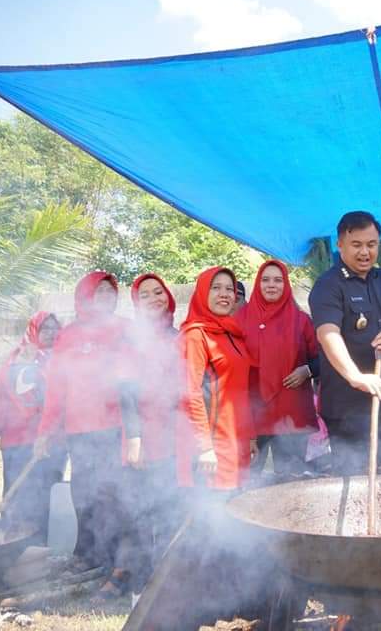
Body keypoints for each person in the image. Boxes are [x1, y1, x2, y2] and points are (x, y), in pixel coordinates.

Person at [35, 272, 131, 592]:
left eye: (110, 290)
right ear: (85, 295)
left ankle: (117, 559)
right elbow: (56, 388)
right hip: (78, 431)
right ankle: (87, 553)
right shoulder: (68, 335)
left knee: (113, 495)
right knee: (83, 493)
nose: (105, 295)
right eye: (98, 290)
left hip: (116, 428)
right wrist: (46, 430)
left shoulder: (124, 330)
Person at [308, 211, 381, 473]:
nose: (365, 252)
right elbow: (328, 333)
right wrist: (356, 376)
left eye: (372, 244)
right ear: (340, 243)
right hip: (348, 409)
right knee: (353, 478)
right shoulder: (328, 285)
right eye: (357, 245)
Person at [118, 273, 183, 604]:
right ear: (136, 303)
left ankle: (168, 589)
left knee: (172, 512)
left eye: (159, 292)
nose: (155, 298)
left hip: (176, 437)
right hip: (144, 438)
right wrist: (135, 438)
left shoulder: (178, 336)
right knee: (143, 515)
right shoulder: (130, 340)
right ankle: (139, 592)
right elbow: (126, 391)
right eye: (146, 295)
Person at [0, 311, 66, 536]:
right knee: (15, 497)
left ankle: (41, 546)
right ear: (34, 330)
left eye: (55, 328)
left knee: (47, 494)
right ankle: (12, 545)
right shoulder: (16, 359)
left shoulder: (65, 359)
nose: (51, 333)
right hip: (16, 442)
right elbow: (0, 400)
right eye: (45, 328)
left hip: (52, 444)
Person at [178, 266, 256, 491]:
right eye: (216, 288)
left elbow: (242, 391)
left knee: (235, 512)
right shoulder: (195, 335)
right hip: (213, 446)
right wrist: (204, 448)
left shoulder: (234, 334)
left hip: (237, 441)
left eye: (229, 289)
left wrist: (250, 436)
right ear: (203, 293)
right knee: (212, 515)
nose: (224, 294)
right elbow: (190, 393)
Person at [237, 259, 318, 475]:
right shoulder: (240, 320)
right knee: (247, 481)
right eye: (265, 280)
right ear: (257, 283)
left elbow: (322, 358)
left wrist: (307, 370)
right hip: (253, 416)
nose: (271, 285)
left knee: (290, 482)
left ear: (286, 285)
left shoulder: (301, 321)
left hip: (292, 415)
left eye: (277, 280)